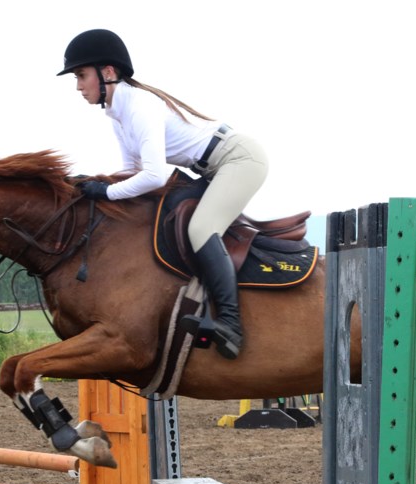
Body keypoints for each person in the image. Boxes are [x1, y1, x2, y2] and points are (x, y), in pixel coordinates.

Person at [58, 28, 269, 360]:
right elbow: (131, 170)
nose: (78, 86)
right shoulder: (117, 113)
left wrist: (108, 191)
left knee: (201, 228)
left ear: (108, 73)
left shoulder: (139, 106)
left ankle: (230, 324)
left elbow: (154, 176)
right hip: (212, 167)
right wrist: (91, 186)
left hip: (240, 160)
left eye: (81, 75)